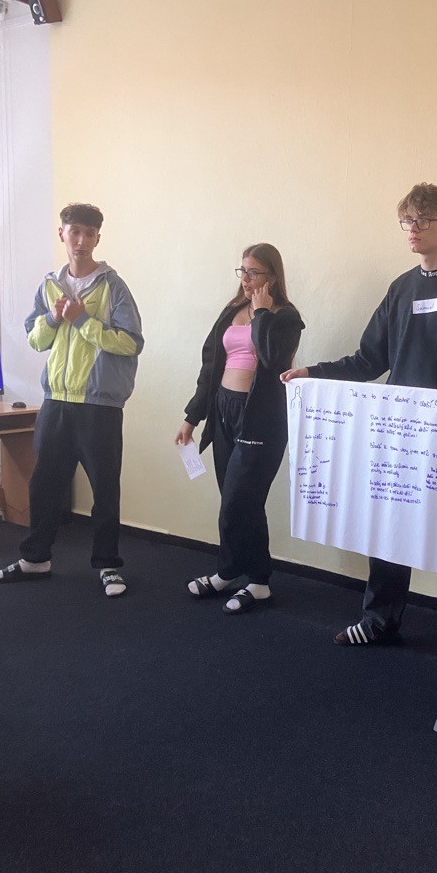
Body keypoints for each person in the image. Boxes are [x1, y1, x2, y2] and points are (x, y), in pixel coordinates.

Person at [282, 183, 437, 661]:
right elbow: (368, 360)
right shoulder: (401, 289)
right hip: (394, 431)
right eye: (407, 220)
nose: (413, 229)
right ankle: (379, 621)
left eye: (423, 220)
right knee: (386, 523)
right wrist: (311, 373)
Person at [0, 203, 143, 596]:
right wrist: (55, 318)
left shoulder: (113, 286)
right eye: (74, 231)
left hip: (99, 405)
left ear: (97, 238)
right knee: (44, 485)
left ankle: (108, 565)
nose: (81, 240)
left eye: (89, 233)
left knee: (104, 489)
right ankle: (35, 559)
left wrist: (82, 321)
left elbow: (130, 343)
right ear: (62, 234)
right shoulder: (49, 286)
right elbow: (36, 339)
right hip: (56, 400)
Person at [177, 243, 304, 614]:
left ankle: (242, 575)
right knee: (239, 502)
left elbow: (274, 357)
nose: (246, 279)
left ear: (272, 277)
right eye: (243, 271)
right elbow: (210, 367)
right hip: (223, 411)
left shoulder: (286, 317)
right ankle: (245, 576)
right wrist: (192, 417)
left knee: (238, 501)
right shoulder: (232, 310)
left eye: (254, 273)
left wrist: (261, 312)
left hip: (260, 418)